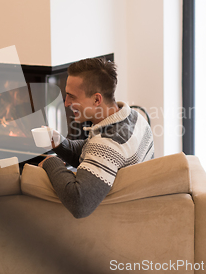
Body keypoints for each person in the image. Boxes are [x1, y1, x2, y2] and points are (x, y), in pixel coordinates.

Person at [39, 57, 154, 218]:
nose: (66, 103)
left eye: (72, 96)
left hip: (113, 221)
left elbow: (79, 203)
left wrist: (52, 162)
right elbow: (94, 153)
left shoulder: (107, 143)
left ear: (96, 99)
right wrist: (61, 144)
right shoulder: (135, 118)